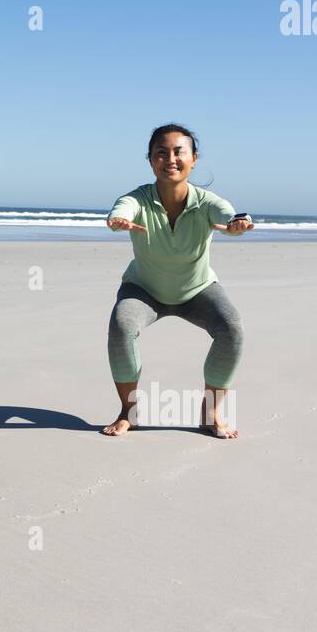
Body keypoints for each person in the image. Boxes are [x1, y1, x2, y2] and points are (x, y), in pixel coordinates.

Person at [104, 124, 253, 438]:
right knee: (122, 325)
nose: (169, 158)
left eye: (178, 151)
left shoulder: (206, 202)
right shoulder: (138, 199)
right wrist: (118, 221)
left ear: (194, 159)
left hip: (197, 290)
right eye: (161, 152)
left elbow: (229, 213)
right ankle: (127, 411)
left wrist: (238, 223)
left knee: (232, 328)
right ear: (151, 160)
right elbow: (122, 210)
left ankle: (210, 413)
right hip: (143, 289)